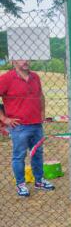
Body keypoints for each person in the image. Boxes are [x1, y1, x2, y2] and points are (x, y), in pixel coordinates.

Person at [0, 59, 55, 197]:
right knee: (19, 156)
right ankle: (21, 185)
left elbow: (40, 96)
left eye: (27, 57)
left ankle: (39, 181)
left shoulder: (35, 77)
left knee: (38, 153)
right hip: (19, 127)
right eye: (20, 58)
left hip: (37, 124)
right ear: (13, 61)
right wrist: (4, 119)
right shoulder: (6, 78)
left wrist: (42, 113)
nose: (25, 61)